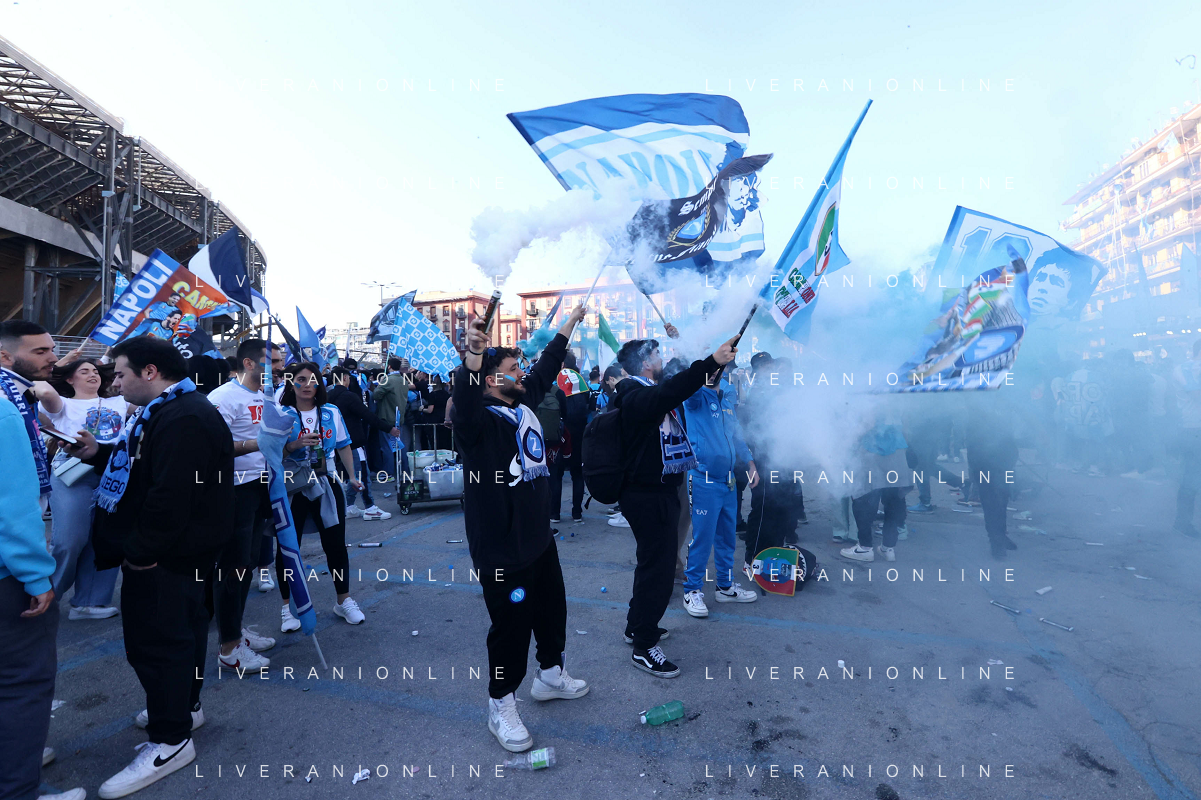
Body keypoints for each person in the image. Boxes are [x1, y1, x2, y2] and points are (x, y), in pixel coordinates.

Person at [64, 336, 233, 798]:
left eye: (120, 373)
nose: (114, 383)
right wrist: (98, 453)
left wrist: (140, 552)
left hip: (168, 555)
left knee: (157, 645)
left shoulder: (185, 416)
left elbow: (170, 494)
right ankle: (185, 708)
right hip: (176, 551)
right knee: (183, 636)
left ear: (151, 372)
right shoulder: (166, 410)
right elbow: (143, 466)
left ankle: (170, 740)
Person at [452, 305, 590, 754]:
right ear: (492, 380)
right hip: (501, 549)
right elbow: (465, 402)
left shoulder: (523, 403)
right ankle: (501, 703)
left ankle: (550, 674)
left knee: (551, 611)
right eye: (513, 369)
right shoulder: (477, 423)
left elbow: (547, 367)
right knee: (511, 628)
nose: (522, 374)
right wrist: (474, 357)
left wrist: (568, 324)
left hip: (538, 539)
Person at [615, 334, 737, 678]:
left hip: (656, 491)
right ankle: (645, 646)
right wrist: (710, 362)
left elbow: (675, 385)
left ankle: (636, 626)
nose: (662, 358)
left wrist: (704, 356)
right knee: (659, 570)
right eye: (656, 354)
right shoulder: (635, 393)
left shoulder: (643, 389)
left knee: (651, 565)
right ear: (645, 362)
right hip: (647, 495)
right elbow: (675, 389)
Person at [2, 389, 88, 800]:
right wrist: (37, 576)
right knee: (22, 684)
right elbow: (12, 506)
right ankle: (18, 789)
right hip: (8, 579)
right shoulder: (4, 413)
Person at [206, 339, 277, 674]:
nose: (279, 368)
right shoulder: (223, 397)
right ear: (249, 364)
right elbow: (212, 445)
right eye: (272, 362)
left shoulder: (267, 395)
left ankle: (235, 631)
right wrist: (255, 443)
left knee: (248, 561)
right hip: (234, 489)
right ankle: (229, 648)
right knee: (232, 566)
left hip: (261, 486)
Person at [276, 363, 365, 629]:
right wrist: (294, 445)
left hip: (327, 482)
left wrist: (352, 477)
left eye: (312, 380)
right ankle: (286, 608)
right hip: (292, 485)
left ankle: (343, 600)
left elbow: (344, 445)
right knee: (288, 546)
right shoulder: (281, 414)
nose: (307, 385)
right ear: (291, 383)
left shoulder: (331, 411)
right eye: (301, 379)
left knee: (335, 544)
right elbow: (271, 452)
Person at [43, 357, 129, 620]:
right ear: (70, 379)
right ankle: (46, 596)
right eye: (84, 371)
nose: (93, 374)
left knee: (104, 538)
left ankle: (89, 602)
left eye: (95, 371)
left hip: (112, 471)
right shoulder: (62, 404)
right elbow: (44, 392)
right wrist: (57, 364)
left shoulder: (120, 402)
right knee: (70, 539)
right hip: (72, 474)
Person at [680, 366, 760, 618]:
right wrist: (704, 363)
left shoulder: (726, 397)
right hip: (703, 480)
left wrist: (750, 464)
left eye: (717, 368)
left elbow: (736, 436)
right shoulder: (695, 398)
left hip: (728, 482)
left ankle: (725, 587)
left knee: (726, 538)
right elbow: (695, 382)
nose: (713, 372)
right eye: (710, 367)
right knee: (702, 538)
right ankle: (692, 590)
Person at [0, 320, 60, 510]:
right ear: (5, 357)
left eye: (52, 350)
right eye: (41, 352)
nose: (54, 358)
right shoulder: (3, 398)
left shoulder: (16, 392)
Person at [328, 366, 400, 520]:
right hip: (353, 441)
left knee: (353, 475)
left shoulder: (328, 396)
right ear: (345, 378)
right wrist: (389, 429)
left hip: (335, 443)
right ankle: (370, 507)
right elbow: (368, 415)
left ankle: (349, 506)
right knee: (362, 474)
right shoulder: (349, 396)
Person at [841, 414, 911, 563]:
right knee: (893, 501)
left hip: (871, 450)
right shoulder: (896, 400)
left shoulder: (872, 399)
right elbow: (905, 425)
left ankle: (865, 548)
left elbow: (867, 422)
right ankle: (888, 548)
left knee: (863, 500)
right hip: (898, 449)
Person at [550, 351, 589, 523]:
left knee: (556, 474)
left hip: (561, 434)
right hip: (579, 434)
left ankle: (554, 513)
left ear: (562, 364)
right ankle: (577, 513)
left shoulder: (556, 382)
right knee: (577, 474)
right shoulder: (582, 382)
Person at [1172, 341, 1201, 538]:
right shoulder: (1185, 369)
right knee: (1192, 478)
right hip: (1194, 430)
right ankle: (1182, 523)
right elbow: (1196, 394)